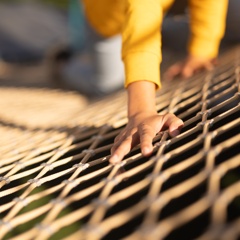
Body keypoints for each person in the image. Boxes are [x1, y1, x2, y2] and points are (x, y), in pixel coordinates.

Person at [60, 0, 229, 164]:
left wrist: (201, 51)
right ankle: (64, 62)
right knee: (108, 85)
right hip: (110, 21)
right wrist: (140, 111)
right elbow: (141, 22)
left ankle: (162, 34)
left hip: (159, 10)